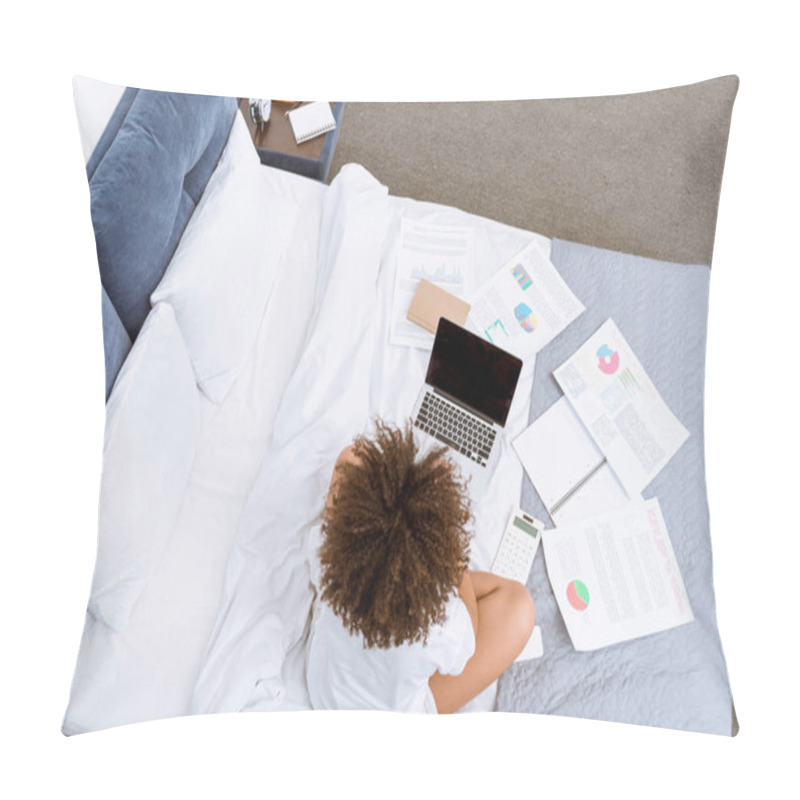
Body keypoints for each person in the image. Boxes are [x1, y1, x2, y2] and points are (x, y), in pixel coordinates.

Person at [305, 420, 535, 714]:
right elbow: (471, 634)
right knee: (519, 608)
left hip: (326, 695)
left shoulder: (328, 557)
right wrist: (454, 556)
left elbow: (349, 459)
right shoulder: (441, 626)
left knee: (352, 458)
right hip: (398, 713)